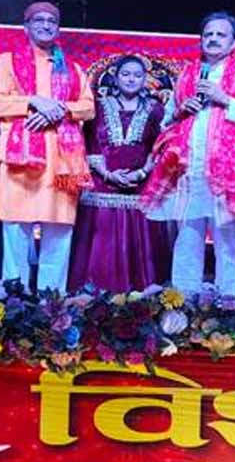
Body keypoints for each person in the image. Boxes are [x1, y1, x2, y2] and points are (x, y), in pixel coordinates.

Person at [141, 11, 235, 295]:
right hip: (189, 170)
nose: (213, 39)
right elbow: (166, 123)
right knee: (187, 239)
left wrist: (225, 100)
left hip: (229, 174)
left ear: (234, 42)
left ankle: (226, 304)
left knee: (226, 243)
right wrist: (180, 111)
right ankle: (182, 302)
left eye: (220, 35)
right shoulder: (187, 75)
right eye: (208, 34)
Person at [0, 1, 94, 292]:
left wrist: (58, 109)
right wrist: (33, 101)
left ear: (58, 28)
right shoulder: (7, 61)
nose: (46, 25)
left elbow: (88, 107)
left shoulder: (72, 69)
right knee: (15, 233)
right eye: (39, 20)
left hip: (62, 164)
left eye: (51, 21)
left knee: (58, 236)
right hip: (19, 162)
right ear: (26, 27)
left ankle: (51, 303)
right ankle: (14, 300)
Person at [67, 55, 171, 291]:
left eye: (137, 75)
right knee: (100, 245)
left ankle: (140, 298)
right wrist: (107, 173)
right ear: (115, 77)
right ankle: (91, 297)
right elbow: (89, 142)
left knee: (142, 250)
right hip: (101, 184)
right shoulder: (97, 106)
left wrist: (142, 173)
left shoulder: (156, 109)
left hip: (141, 186)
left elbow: (159, 146)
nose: (131, 79)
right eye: (126, 74)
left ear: (145, 79)